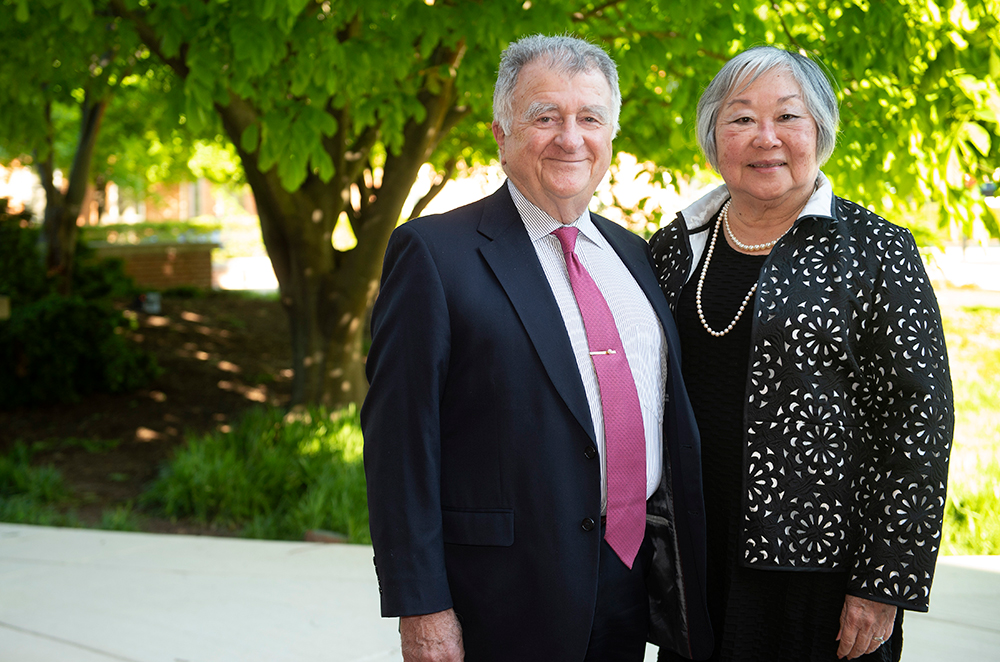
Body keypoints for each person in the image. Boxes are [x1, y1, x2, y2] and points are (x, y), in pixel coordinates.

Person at [362, 35, 713, 662]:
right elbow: (399, 441)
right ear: (501, 133)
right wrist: (420, 603)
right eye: (544, 116)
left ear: (612, 134)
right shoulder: (434, 254)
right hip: (499, 598)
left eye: (589, 118)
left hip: (632, 578)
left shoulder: (635, 255)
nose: (569, 137)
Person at [649, 46, 954, 662]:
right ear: (713, 136)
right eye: (740, 119)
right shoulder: (674, 249)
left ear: (820, 129)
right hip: (694, 558)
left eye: (788, 117)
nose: (766, 138)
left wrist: (882, 583)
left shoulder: (876, 250)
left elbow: (919, 423)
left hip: (819, 573)